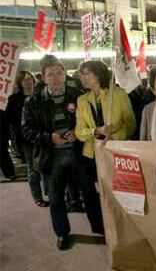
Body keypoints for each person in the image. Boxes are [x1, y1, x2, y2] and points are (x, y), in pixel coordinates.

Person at [22, 55, 105, 250]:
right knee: (56, 198)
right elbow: (26, 130)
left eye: (59, 73)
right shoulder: (33, 102)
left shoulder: (78, 95)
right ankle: (62, 233)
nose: (56, 77)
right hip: (52, 157)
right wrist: (49, 137)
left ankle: (100, 228)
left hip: (79, 153)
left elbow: (91, 121)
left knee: (90, 193)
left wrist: (78, 131)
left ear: (65, 73)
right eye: (51, 75)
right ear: (43, 78)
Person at [75, 60, 136, 176]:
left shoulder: (118, 94)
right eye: (81, 74)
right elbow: (79, 131)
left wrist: (115, 137)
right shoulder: (82, 100)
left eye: (86, 73)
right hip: (92, 153)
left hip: (117, 150)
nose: (82, 77)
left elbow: (130, 123)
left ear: (98, 75)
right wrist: (96, 131)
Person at [6, 70, 48, 206]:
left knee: (47, 166)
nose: (28, 81)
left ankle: (50, 193)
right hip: (26, 139)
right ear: (20, 82)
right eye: (25, 79)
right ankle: (38, 197)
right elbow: (10, 119)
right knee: (33, 169)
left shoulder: (42, 95)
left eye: (30, 78)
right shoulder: (14, 99)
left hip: (43, 137)